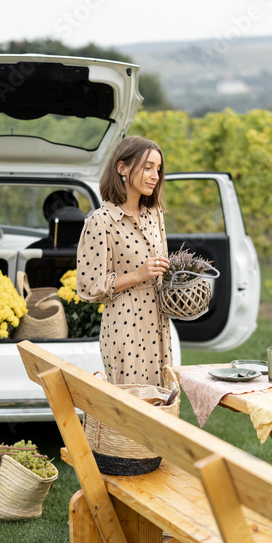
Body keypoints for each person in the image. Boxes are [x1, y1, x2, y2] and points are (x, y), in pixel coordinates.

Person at [76, 136, 172, 385]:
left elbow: (162, 266)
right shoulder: (100, 221)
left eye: (158, 169)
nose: (155, 175)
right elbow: (89, 287)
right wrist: (138, 275)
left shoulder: (155, 215)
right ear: (122, 168)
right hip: (125, 324)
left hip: (159, 320)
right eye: (148, 167)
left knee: (161, 402)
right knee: (130, 408)